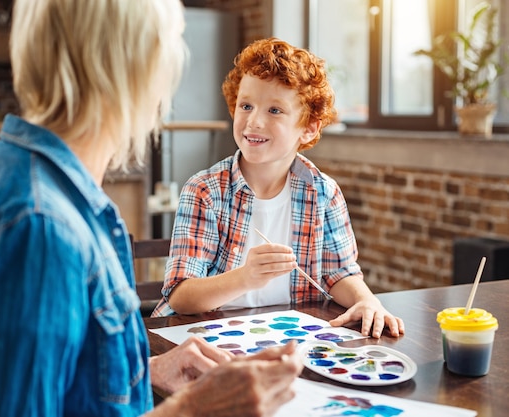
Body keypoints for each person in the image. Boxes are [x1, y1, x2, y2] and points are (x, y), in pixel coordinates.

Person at [0, 2, 303, 416]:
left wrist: (143, 371)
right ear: (131, 68)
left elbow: (56, 377)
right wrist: (191, 410)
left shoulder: (4, 169)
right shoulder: (42, 229)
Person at [152, 38, 405, 340]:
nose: (254, 121)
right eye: (246, 105)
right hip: (205, 341)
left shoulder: (323, 193)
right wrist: (245, 278)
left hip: (285, 340)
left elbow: (338, 274)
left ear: (309, 127)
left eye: (274, 110)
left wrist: (367, 300)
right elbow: (180, 296)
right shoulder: (205, 190)